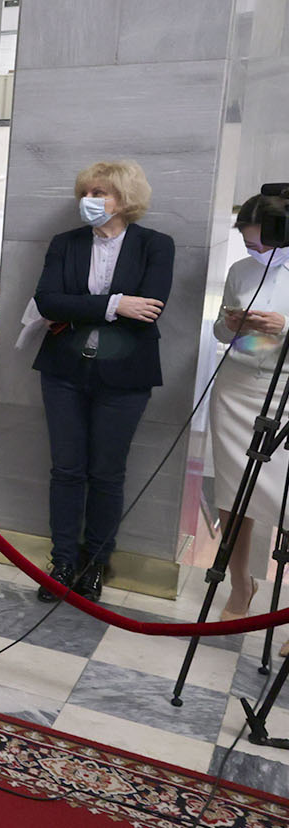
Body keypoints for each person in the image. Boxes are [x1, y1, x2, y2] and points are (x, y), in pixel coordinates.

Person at [33, 160, 172, 603]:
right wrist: (115, 305)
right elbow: (47, 301)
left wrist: (83, 306)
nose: (89, 201)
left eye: (99, 193)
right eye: (86, 193)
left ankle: (95, 562)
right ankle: (62, 561)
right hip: (64, 371)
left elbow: (149, 308)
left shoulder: (155, 245)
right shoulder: (66, 243)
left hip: (126, 376)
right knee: (66, 469)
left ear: (124, 199)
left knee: (107, 473)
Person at [208, 194, 289, 633]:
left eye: (262, 244)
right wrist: (232, 325)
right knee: (233, 493)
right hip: (236, 388)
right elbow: (221, 331)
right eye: (248, 244)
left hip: (286, 392)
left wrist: (285, 326)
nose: (255, 252)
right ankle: (241, 584)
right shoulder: (240, 271)